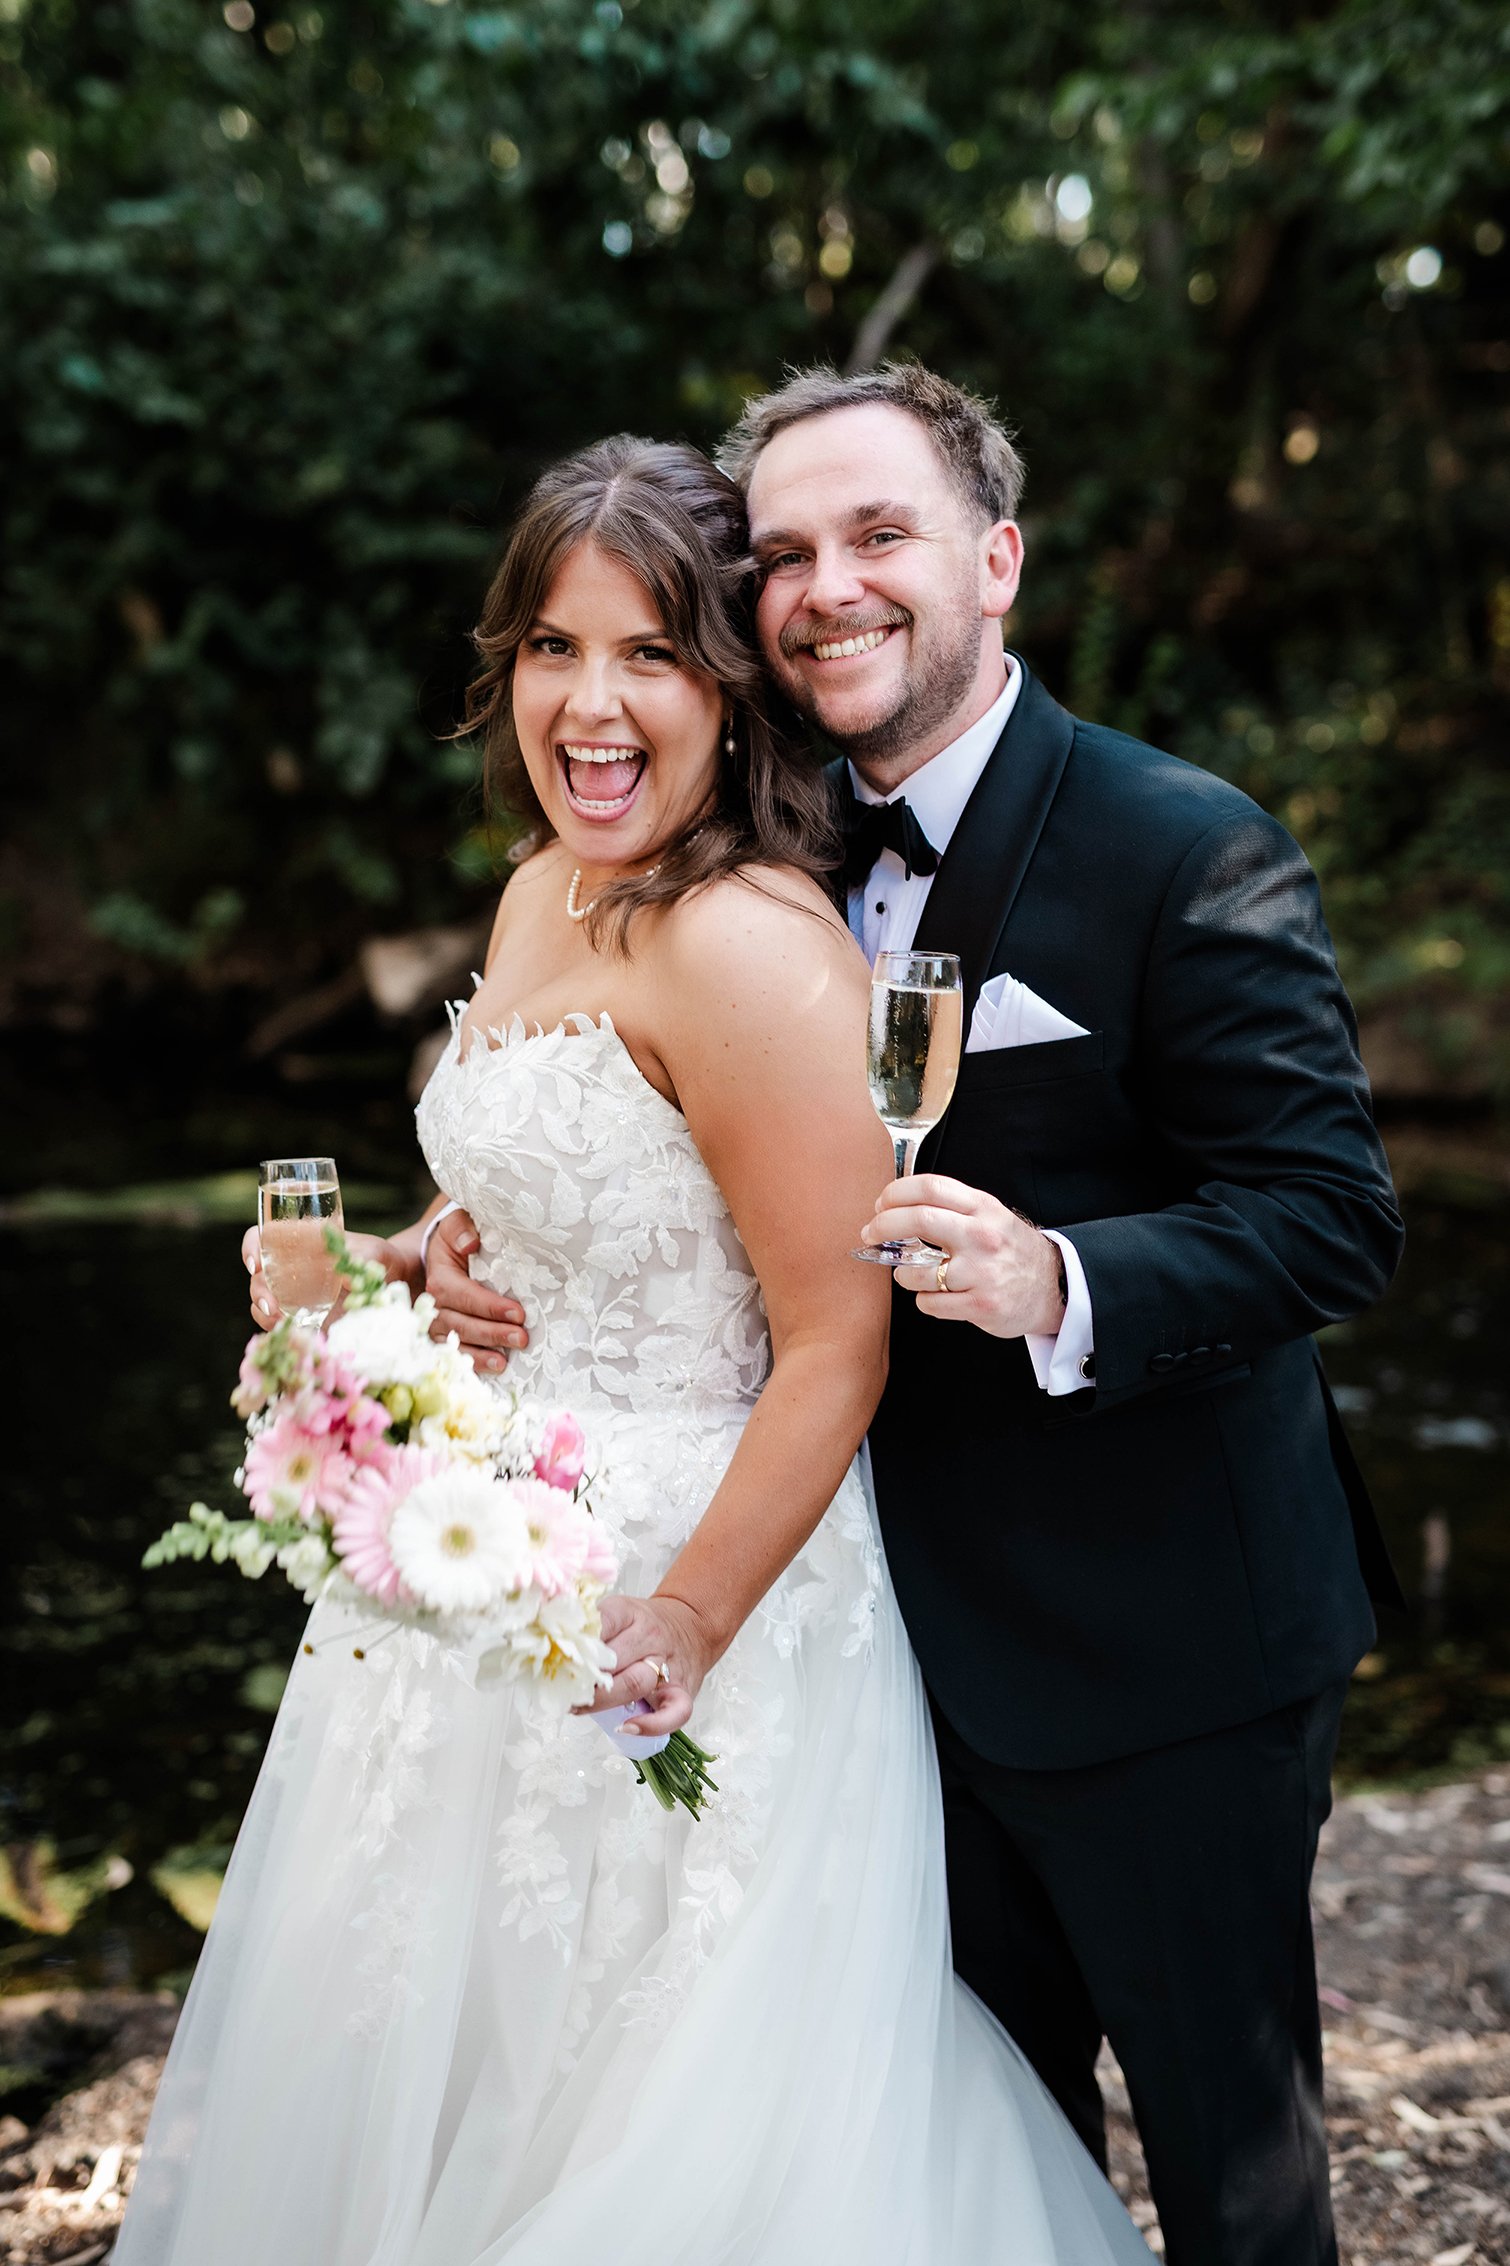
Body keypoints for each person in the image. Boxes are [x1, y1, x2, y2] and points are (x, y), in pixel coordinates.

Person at [120, 435, 1153, 2264]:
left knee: (661, 2108)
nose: (588, 705)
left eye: (650, 655)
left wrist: (679, 1621)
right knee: (436, 2080)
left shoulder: (752, 951)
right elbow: (556, 1214)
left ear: (730, 686)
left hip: (689, 1602)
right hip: (480, 1572)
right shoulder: (537, 892)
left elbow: (836, 1343)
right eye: (548, 647)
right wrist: (401, 1271)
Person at [426, 367, 1404, 2266]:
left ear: (996, 561)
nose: (828, 588)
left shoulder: (1182, 844)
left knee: (1235, 2186)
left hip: (1164, 1654)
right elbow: (668, 1133)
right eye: (784, 553)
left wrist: (1065, 1277)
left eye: (879, 535)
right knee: (964, 2180)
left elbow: (1330, 1217)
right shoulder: (752, 841)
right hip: (873, 1657)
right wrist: (468, 1234)